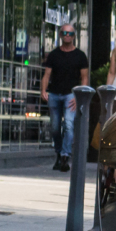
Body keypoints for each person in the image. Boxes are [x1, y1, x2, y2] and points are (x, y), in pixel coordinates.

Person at [40, 23, 88, 172]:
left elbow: (84, 78)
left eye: (70, 33)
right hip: (54, 94)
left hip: (70, 95)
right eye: (65, 33)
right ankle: (59, 153)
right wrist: (43, 90)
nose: (67, 36)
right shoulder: (54, 54)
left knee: (68, 125)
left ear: (74, 36)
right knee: (55, 128)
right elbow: (47, 75)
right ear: (60, 35)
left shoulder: (80, 56)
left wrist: (79, 95)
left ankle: (64, 156)